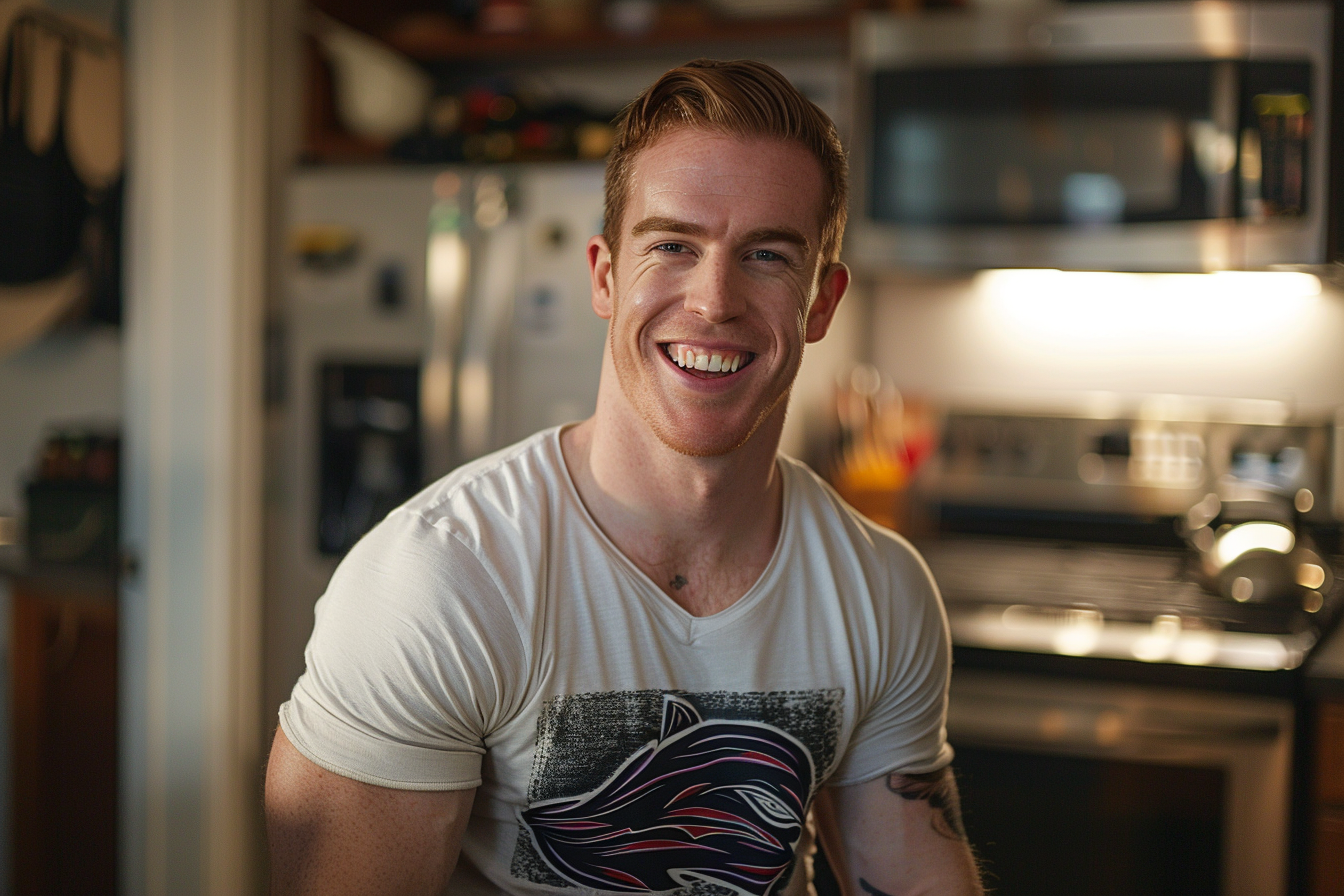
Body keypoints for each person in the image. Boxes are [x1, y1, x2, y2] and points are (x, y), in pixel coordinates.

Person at [265, 58, 983, 896]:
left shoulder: (879, 590)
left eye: (767, 256)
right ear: (605, 276)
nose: (714, 301)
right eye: (673, 245)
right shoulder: (441, 582)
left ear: (821, 303)